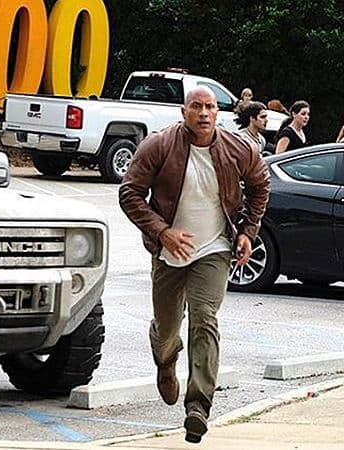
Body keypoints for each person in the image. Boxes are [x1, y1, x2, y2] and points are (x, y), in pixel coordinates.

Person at [118, 86, 270, 444]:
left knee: (205, 318)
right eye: (197, 106)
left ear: (218, 112)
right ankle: (165, 359)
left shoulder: (238, 148)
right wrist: (162, 231)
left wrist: (248, 230)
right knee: (168, 327)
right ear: (184, 111)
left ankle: (198, 407)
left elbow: (261, 185)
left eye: (210, 107)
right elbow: (129, 192)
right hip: (168, 253)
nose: (203, 113)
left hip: (214, 248)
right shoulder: (159, 145)